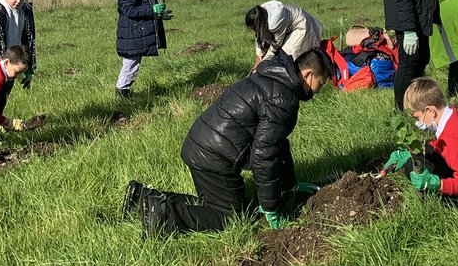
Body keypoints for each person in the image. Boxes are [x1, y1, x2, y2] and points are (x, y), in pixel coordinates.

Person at [125, 47, 334, 237]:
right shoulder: (283, 98)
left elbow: (278, 145)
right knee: (229, 218)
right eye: (320, 84)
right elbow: (264, 155)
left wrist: (291, 183)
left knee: (213, 205)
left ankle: (142, 197)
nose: (318, 91)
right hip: (213, 158)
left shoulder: (272, 76)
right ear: (308, 75)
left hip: (201, 145)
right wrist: (271, 207)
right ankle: (162, 215)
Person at [382, 77, 458, 202]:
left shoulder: (454, 136)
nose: (417, 123)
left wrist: (437, 184)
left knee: (419, 176)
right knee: (415, 161)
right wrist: (411, 151)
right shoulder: (452, 118)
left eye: (417, 118)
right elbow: (440, 145)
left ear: (430, 111)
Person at [111, 0, 169, 99]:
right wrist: (152, 10)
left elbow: (145, 5)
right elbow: (128, 10)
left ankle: (124, 91)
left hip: (137, 29)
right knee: (131, 62)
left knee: (133, 62)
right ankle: (122, 92)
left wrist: (160, 14)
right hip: (133, 30)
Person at [245, 0, 323, 66]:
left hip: (301, 26)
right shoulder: (259, 13)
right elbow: (259, 36)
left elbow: (275, 45)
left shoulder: (274, 23)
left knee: (288, 57)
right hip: (287, 24)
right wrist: (258, 56)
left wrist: (263, 61)